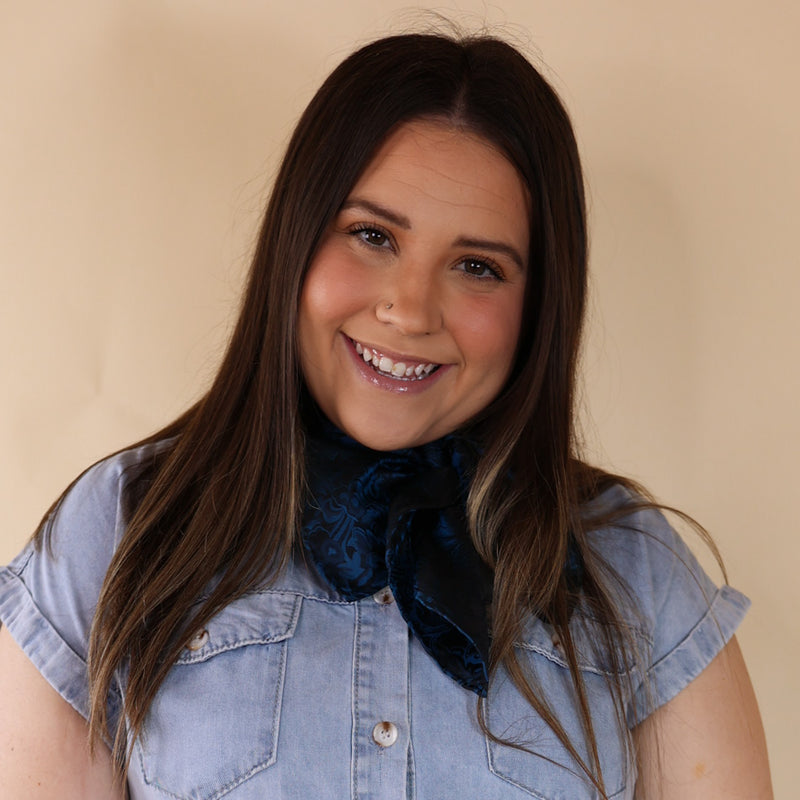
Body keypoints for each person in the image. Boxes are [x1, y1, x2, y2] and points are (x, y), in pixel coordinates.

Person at [0, 30, 771, 800]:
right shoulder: (119, 535)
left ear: (537, 308)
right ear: (295, 244)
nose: (408, 309)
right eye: (371, 235)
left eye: (477, 267)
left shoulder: (636, 574)